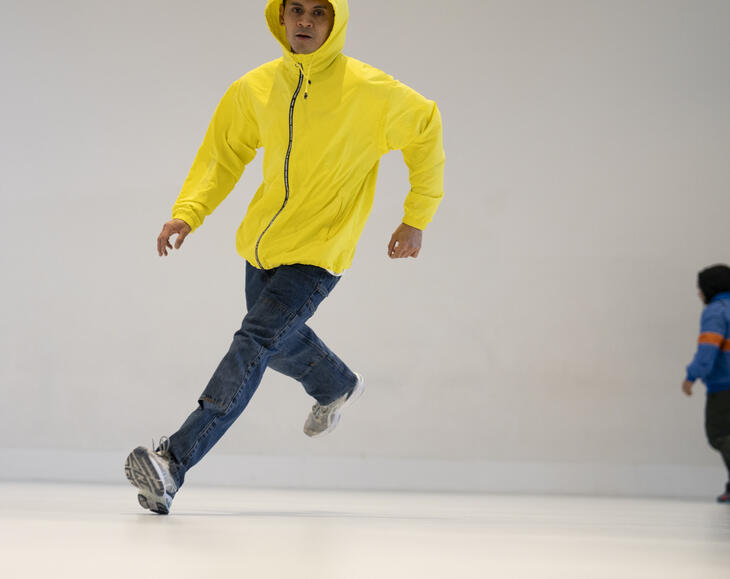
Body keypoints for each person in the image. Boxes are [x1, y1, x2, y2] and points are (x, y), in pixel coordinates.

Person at [124, 0, 445, 515]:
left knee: (253, 343)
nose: (305, 21)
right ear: (280, 17)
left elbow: (426, 126)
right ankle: (335, 384)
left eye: (319, 12)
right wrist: (188, 212)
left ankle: (173, 463)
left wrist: (416, 218)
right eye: (296, 9)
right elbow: (222, 155)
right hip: (262, 246)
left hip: (319, 251)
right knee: (271, 342)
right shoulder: (255, 87)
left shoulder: (370, 90)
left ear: (335, 22)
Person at [683, 264, 730, 503]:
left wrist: (692, 376)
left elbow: (708, 349)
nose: (699, 294)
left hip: (724, 385)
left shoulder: (716, 312)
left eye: (700, 289)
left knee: (719, 434)